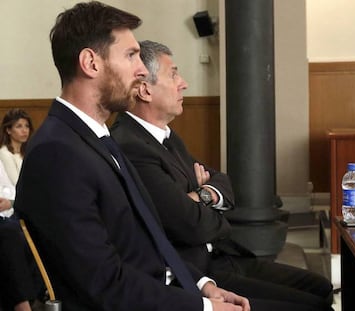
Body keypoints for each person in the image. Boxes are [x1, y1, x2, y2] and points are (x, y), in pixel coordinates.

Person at [14, 2, 309, 311]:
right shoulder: (58, 153)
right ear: (90, 63)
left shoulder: (95, 138)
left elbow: (146, 241)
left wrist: (203, 286)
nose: (141, 70)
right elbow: (103, 283)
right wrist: (204, 309)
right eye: (130, 55)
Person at [111, 40, 334, 310]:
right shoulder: (131, 145)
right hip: (198, 273)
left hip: (222, 254)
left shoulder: (165, 135)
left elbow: (222, 182)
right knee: (314, 306)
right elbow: (188, 224)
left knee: (322, 288)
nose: (183, 83)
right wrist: (207, 202)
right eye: (174, 74)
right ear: (145, 89)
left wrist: (199, 195)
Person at [0, 161, 42, 311]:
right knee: (10, 234)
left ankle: (41, 296)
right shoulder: (5, 155)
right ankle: (24, 306)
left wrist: (9, 200)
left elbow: (11, 190)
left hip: (8, 215)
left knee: (35, 227)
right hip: (6, 221)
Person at [0, 109, 34, 186]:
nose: (24, 130)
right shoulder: (5, 153)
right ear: (8, 130)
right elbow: (16, 182)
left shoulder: (28, 151)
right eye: (19, 126)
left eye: (27, 126)